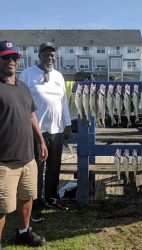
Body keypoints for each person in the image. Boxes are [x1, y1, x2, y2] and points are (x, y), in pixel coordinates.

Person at [0, 40, 48, 248]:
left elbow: (31, 115)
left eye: (14, 57)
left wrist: (41, 140)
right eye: (6, 57)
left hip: (28, 157)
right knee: (1, 207)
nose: (11, 61)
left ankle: (23, 231)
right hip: (3, 161)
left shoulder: (22, 87)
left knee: (27, 196)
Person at [19, 42, 72, 221]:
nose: (51, 57)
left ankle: (51, 198)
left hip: (56, 130)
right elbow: (22, 101)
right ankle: (35, 204)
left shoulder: (58, 75)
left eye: (53, 54)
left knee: (54, 167)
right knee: (36, 169)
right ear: (39, 55)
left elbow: (63, 102)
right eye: (47, 54)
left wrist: (67, 124)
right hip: (36, 131)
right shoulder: (27, 73)